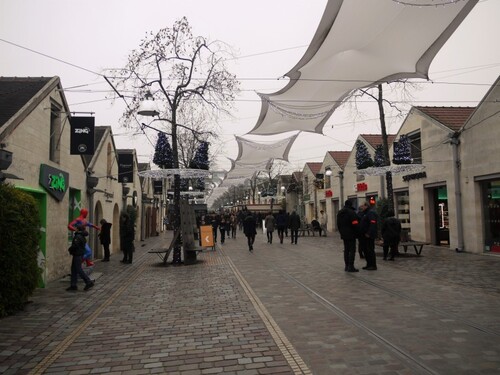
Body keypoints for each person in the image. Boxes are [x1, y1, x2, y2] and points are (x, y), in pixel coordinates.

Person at [67, 224, 95, 291]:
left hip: (77, 255)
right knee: (74, 269)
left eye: (76, 228)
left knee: (79, 269)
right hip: (79, 254)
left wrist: (70, 249)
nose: (75, 229)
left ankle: (88, 282)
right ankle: (73, 285)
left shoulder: (78, 236)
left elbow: (75, 245)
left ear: (78, 229)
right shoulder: (82, 236)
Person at [337, 200, 360, 272]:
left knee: (346, 250)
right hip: (351, 234)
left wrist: (341, 232)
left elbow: (338, 224)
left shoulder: (340, 212)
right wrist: (357, 232)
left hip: (344, 234)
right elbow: (355, 223)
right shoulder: (351, 212)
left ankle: (346, 266)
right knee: (352, 250)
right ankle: (351, 266)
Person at [359, 202, 378, 270]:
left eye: (362, 206)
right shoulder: (364, 213)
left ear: (366, 206)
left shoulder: (370, 213)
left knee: (370, 250)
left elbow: (372, 223)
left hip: (369, 235)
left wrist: (369, 233)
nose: (361, 207)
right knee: (365, 250)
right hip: (363, 235)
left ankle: (373, 265)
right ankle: (368, 264)